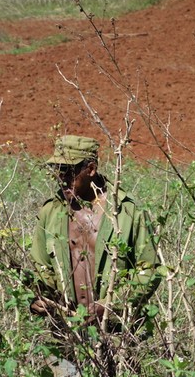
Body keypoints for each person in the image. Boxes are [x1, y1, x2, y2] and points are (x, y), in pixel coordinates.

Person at [29, 135, 161, 374]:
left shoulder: (126, 212)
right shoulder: (50, 212)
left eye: (69, 172)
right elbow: (41, 267)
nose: (61, 178)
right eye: (57, 171)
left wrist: (108, 305)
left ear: (90, 169)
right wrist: (40, 299)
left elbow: (149, 270)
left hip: (115, 335)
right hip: (65, 336)